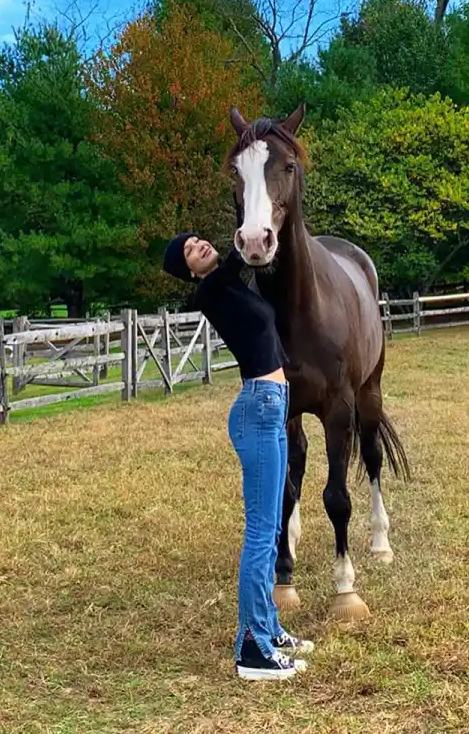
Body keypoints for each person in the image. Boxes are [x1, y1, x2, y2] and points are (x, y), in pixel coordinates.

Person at [163, 232, 314, 681]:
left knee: (271, 534)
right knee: (261, 532)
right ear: (189, 270)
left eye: (197, 240)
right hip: (259, 410)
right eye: (191, 250)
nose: (199, 246)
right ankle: (251, 649)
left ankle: (268, 630)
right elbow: (236, 260)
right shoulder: (210, 289)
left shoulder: (232, 289)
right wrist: (246, 229)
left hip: (273, 404)